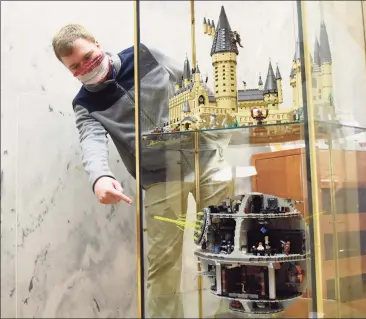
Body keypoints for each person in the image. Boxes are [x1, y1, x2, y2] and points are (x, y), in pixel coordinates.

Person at [52, 24, 233, 318]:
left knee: (227, 245)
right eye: (75, 67)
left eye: (87, 56)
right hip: (160, 179)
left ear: (97, 43)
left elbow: (196, 85)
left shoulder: (145, 55)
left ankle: (230, 313)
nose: (85, 67)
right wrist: (100, 178)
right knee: (164, 265)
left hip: (206, 159)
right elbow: (91, 141)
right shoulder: (84, 104)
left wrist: (222, 129)